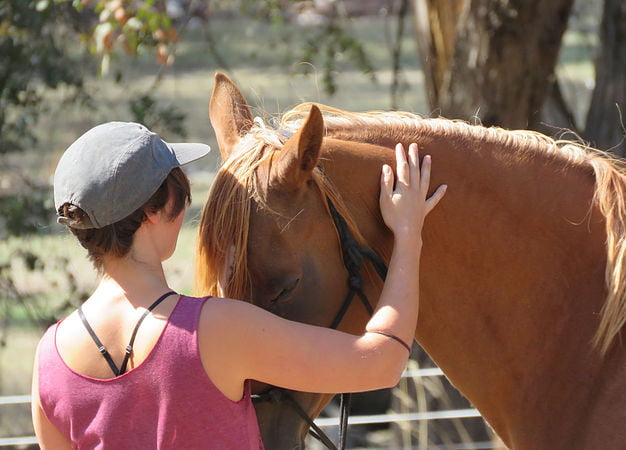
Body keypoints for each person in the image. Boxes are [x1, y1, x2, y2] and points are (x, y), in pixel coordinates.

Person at [31, 121, 447, 449]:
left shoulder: (48, 360)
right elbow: (383, 361)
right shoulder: (214, 330)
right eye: (182, 193)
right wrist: (408, 234)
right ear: (153, 213)